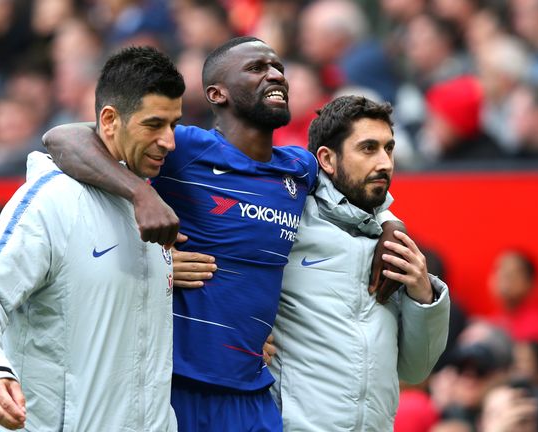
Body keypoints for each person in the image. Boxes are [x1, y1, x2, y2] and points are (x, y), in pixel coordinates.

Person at [42, 37, 402, 431]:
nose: (275, 75)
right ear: (217, 93)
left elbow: (359, 194)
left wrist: (390, 225)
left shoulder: (299, 168)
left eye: (278, 67)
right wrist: (141, 194)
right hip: (175, 387)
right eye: (257, 68)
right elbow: (62, 138)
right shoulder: (186, 149)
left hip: (252, 392)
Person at [0, 46, 185, 431]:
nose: (169, 141)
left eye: (174, 124)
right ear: (109, 120)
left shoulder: (152, 208)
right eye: (154, 124)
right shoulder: (51, 201)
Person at [268, 96, 450, 430]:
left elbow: (416, 370)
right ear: (327, 159)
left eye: (388, 148)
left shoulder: (396, 244)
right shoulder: (286, 223)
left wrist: (424, 295)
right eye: (368, 148)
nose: (385, 163)